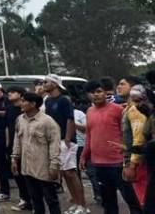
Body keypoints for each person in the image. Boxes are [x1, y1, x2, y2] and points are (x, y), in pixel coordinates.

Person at [81, 80, 139, 214]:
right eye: (92, 92)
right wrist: (84, 156)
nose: (96, 95)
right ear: (87, 95)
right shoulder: (89, 111)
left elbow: (128, 134)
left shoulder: (118, 110)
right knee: (108, 202)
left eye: (98, 91)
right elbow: (89, 136)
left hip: (118, 162)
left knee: (131, 199)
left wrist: (128, 157)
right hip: (98, 164)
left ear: (105, 93)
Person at [12, 91, 62, 214]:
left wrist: (54, 165)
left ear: (33, 104)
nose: (21, 103)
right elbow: (17, 140)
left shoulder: (47, 122)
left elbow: (54, 144)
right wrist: (14, 158)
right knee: (35, 199)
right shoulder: (20, 119)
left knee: (51, 200)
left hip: (43, 168)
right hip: (27, 167)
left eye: (23, 101)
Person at [44, 75, 87, 214]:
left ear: (55, 84)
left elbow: (70, 119)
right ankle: (75, 202)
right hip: (55, 140)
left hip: (66, 140)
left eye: (46, 82)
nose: (44, 84)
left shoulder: (64, 100)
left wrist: (68, 138)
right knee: (64, 173)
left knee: (71, 173)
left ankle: (82, 205)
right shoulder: (48, 100)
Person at [5, 86, 34, 212]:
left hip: (26, 145)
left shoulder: (26, 110)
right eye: (9, 92)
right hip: (13, 145)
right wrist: (8, 143)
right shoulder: (9, 108)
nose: (9, 94)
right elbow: (8, 126)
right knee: (17, 173)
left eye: (13, 92)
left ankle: (33, 200)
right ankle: (24, 199)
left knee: (28, 173)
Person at [123, 85, 150, 209]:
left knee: (144, 199)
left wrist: (131, 165)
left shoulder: (135, 110)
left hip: (141, 161)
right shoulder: (131, 109)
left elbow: (138, 138)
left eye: (122, 84)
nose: (119, 87)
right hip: (143, 158)